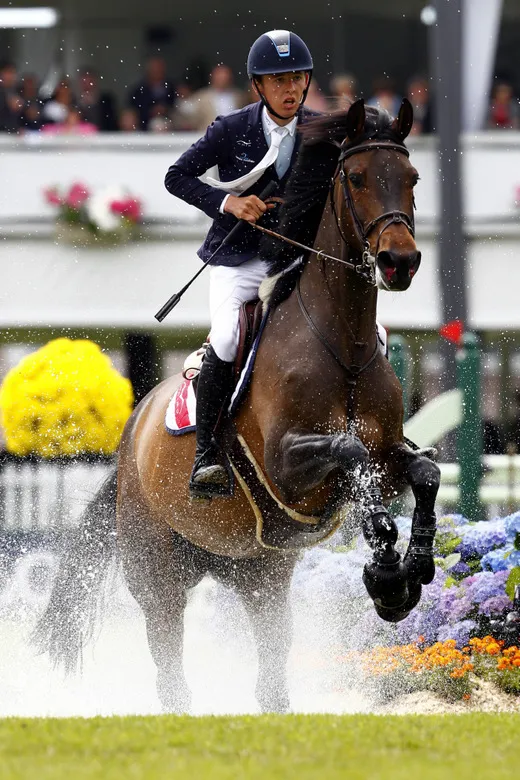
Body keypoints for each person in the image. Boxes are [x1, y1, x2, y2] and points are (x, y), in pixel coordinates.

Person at [165, 30, 315, 498]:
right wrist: (230, 203)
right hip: (240, 260)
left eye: (297, 78)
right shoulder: (231, 129)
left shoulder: (321, 131)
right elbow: (176, 177)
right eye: (279, 81)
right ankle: (207, 455)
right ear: (258, 86)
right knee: (228, 335)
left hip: (299, 260)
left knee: (367, 330)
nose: (290, 89)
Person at [128, 56, 176, 131]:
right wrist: (151, 111)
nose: (157, 72)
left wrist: (166, 109)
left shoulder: (173, 88)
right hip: (145, 127)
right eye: (154, 70)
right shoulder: (138, 91)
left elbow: (177, 104)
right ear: (148, 72)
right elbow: (135, 109)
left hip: (171, 124)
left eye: (159, 69)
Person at [191, 64, 245, 131]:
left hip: (234, 133)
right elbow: (193, 119)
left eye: (225, 77)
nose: (222, 80)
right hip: (209, 133)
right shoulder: (202, 97)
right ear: (213, 78)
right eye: (219, 77)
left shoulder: (238, 96)